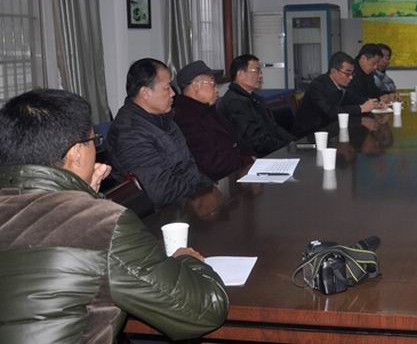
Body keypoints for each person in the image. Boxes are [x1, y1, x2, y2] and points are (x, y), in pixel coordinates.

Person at [0, 89, 229, 343]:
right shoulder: (100, 223)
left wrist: (84, 196)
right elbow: (205, 310)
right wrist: (186, 260)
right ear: (76, 153)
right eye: (94, 141)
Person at [109, 58, 213, 208]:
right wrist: (200, 194)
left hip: (188, 201)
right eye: (167, 88)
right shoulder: (129, 133)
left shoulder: (164, 118)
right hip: (164, 214)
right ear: (145, 93)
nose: (173, 93)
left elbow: (188, 166)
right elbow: (162, 191)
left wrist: (208, 187)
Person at [174, 60, 255, 180]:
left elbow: (237, 141)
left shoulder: (207, 110)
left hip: (237, 173)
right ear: (196, 85)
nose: (217, 90)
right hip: (218, 182)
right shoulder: (185, 118)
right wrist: (247, 161)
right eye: (213, 84)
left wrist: (251, 158)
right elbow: (211, 163)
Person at [217, 54, 295, 156]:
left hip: (269, 151)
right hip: (250, 158)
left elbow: (273, 127)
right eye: (256, 71)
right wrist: (285, 148)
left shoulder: (254, 98)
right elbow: (255, 141)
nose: (261, 76)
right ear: (240, 74)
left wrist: (294, 142)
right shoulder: (234, 103)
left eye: (260, 72)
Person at [292, 52, 380, 137]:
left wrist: (372, 102)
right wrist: (361, 108)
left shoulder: (339, 85)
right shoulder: (318, 86)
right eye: (347, 73)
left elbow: (352, 99)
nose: (351, 77)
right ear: (334, 71)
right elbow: (329, 112)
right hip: (309, 134)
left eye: (352, 74)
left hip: (329, 129)